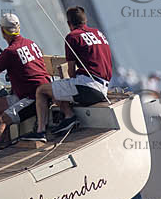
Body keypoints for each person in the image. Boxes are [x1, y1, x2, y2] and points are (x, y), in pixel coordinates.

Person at [28, 7, 112, 139]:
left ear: (69, 23)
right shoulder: (98, 33)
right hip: (103, 88)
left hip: (88, 88)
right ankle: (68, 118)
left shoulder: (72, 37)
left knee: (42, 90)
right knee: (58, 88)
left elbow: (71, 71)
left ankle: (41, 131)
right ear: (85, 20)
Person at [0, 13, 50, 150]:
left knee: (2, 119)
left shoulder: (10, 52)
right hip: (40, 91)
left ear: (2, 31)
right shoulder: (31, 43)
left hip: (33, 98)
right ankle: (4, 143)